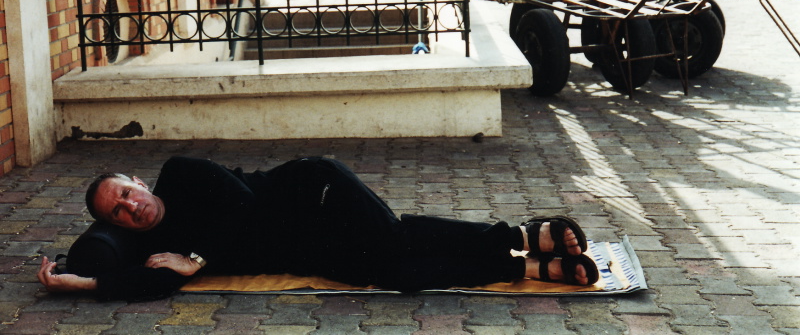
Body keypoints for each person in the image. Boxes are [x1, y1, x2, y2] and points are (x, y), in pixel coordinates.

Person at [37, 156, 600, 301]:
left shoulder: (179, 175)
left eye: (127, 193)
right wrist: (80, 285)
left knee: (397, 242)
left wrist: (197, 260)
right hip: (311, 248)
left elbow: (238, 202)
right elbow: (154, 284)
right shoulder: (152, 246)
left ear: (137, 180)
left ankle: (528, 240)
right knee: (398, 275)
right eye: (118, 212)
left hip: (316, 192)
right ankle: (523, 261)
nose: (132, 208)